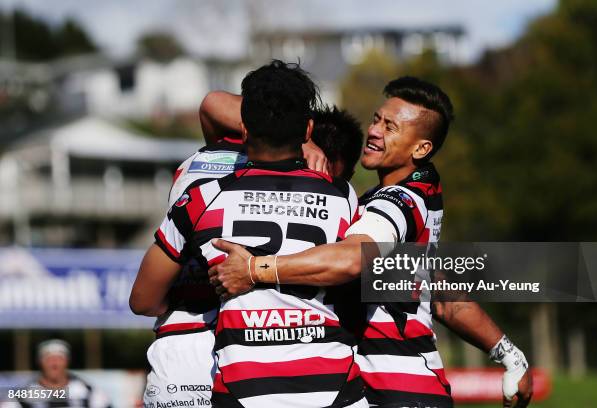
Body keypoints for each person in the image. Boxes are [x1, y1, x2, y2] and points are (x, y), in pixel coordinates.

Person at [209, 76, 533, 408]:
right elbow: (436, 290)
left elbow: (352, 259)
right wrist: (509, 353)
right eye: (377, 119)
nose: (375, 131)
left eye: (391, 127)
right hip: (409, 388)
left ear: (421, 148)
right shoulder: (418, 193)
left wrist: (254, 269)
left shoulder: (395, 204)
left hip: (393, 391)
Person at [131, 59, 367, 407]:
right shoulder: (342, 195)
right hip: (326, 376)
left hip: (210, 361)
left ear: (242, 126)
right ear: (307, 130)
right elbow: (362, 264)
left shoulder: (202, 193)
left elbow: (142, 300)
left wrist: (228, 279)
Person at [12, 339, 111, 408]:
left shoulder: (88, 392)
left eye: (59, 358)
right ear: (40, 362)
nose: (54, 364)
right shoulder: (22, 396)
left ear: (67, 361)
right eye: (49, 359)